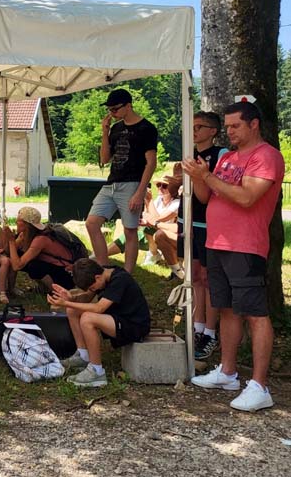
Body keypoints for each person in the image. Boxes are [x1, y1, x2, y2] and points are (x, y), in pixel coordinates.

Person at [183, 101, 283, 412]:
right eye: (226, 126)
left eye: (235, 126)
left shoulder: (266, 156)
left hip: (245, 245)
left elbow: (248, 197)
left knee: (255, 313)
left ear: (254, 124)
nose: (229, 132)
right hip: (217, 242)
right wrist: (198, 176)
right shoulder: (228, 158)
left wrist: (209, 177)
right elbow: (205, 197)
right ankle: (228, 372)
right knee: (226, 308)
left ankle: (260, 386)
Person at [172, 111, 228, 360]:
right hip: (186, 220)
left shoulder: (220, 154)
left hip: (207, 223)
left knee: (208, 278)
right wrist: (176, 182)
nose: (194, 131)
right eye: (191, 127)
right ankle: (196, 327)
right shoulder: (189, 154)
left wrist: (198, 176)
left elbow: (209, 192)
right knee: (193, 275)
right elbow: (181, 188)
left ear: (213, 131)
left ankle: (210, 332)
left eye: (199, 127)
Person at [85, 89, 158, 273]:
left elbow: (151, 162)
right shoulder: (116, 128)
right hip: (111, 183)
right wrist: (105, 132)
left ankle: (127, 274)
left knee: (130, 230)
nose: (112, 113)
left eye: (115, 109)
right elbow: (104, 159)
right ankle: (103, 268)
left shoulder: (146, 128)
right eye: (109, 109)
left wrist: (140, 193)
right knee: (91, 223)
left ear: (128, 106)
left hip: (132, 183)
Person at [51, 258, 151, 388]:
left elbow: (99, 308)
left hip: (134, 326)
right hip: (117, 319)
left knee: (87, 319)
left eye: (92, 287)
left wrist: (65, 303)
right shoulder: (101, 274)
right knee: (72, 310)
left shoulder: (120, 279)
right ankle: (83, 356)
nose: (92, 290)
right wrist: (71, 298)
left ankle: (96, 371)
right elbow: (86, 298)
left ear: (97, 277)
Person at [105, 175, 179, 267]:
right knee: (128, 236)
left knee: (147, 230)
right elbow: (145, 214)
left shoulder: (176, 203)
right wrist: (147, 203)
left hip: (164, 236)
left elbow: (157, 219)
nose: (160, 188)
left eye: (164, 186)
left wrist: (149, 201)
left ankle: (154, 255)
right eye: (158, 185)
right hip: (152, 232)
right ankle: (98, 256)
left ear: (173, 189)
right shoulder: (159, 200)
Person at [1, 206, 77, 292]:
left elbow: (17, 266)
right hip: (55, 269)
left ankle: (55, 291)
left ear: (26, 225)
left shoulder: (40, 239)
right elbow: (9, 253)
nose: (15, 222)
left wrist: (11, 241)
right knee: (18, 255)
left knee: (34, 267)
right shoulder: (26, 234)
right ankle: (11, 289)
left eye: (18, 221)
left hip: (65, 275)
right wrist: (12, 240)